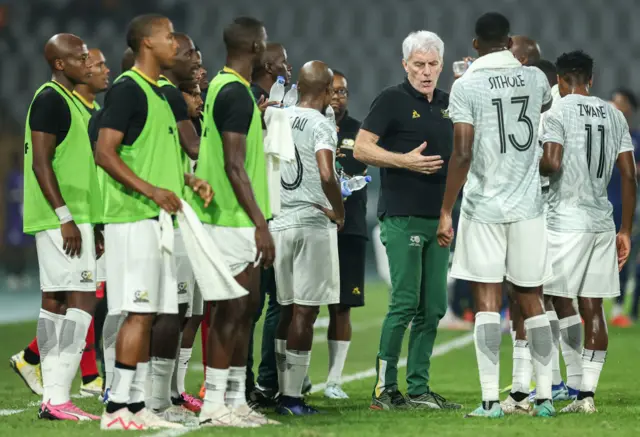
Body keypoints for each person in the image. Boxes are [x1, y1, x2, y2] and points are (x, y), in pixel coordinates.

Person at [95, 14, 211, 430]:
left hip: (159, 219)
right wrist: (151, 191)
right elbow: (104, 153)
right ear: (147, 43)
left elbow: (157, 158)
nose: (174, 46)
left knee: (153, 313)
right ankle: (116, 411)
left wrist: (187, 179)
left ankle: (137, 404)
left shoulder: (160, 96)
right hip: (134, 218)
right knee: (137, 313)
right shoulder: (128, 91)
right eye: (167, 38)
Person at [437, 12, 555, 418]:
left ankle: (490, 401)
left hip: (484, 205)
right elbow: (541, 110)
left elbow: (463, 152)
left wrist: (446, 209)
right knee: (532, 299)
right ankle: (543, 398)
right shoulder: (536, 78)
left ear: (475, 45)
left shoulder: (465, 84)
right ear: (508, 41)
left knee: (487, 300)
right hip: (528, 206)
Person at [354, 30, 459, 411]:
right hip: (402, 216)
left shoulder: (450, 104)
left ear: (442, 66)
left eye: (433, 65)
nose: (426, 72)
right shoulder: (391, 100)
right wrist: (404, 160)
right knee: (403, 303)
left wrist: (449, 213)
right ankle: (384, 390)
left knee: (433, 308)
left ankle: (418, 389)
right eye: (419, 65)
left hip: (440, 220)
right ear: (405, 65)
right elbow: (362, 148)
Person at [185, 16, 276, 428]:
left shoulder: (226, 88)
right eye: (266, 42)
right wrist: (261, 223)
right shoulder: (235, 94)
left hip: (237, 217)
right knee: (229, 313)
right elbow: (234, 166)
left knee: (245, 309)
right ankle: (214, 405)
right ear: (256, 47)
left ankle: (236, 401)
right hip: (230, 218)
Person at [539, 50, 637, 413]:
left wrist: (523, 166)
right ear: (591, 80)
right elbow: (629, 174)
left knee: (542, 299)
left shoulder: (557, 112)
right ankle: (586, 396)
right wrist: (624, 229)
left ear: (561, 81)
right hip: (601, 222)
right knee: (592, 306)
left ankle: (541, 387)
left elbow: (551, 162)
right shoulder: (615, 114)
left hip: (564, 221)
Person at [22, 33, 102, 421]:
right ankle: (56, 397)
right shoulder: (50, 99)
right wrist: (65, 216)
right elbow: (42, 162)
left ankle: (53, 397)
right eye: (81, 58)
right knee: (82, 301)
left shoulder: (75, 102)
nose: (88, 63)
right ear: (59, 64)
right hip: (63, 219)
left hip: (75, 217)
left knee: (55, 305)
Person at [271, 60, 343, 415]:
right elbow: (327, 173)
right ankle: (292, 398)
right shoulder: (321, 123)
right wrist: (339, 211)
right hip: (312, 221)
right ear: (328, 91)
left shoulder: (279, 116)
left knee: (286, 311)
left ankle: (283, 390)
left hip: (279, 221)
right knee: (306, 312)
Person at [150, 31, 200, 423]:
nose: (197, 63)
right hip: (164, 218)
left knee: (178, 309)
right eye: (190, 56)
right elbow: (195, 149)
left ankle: (165, 393)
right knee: (165, 309)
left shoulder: (161, 93)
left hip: (174, 216)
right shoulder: (164, 93)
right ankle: (148, 397)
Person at [247, 41, 292, 408]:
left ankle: (266, 382)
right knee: (249, 307)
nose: (287, 66)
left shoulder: (276, 99)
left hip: (274, 215)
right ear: (267, 63)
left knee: (277, 302)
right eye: (282, 61)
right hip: (253, 219)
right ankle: (244, 383)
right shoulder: (246, 99)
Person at [323, 69, 365, 400]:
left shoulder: (360, 131)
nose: (339, 97)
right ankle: (295, 378)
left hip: (349, 229)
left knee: (342, 307)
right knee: (302, 306)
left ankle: (334, 380)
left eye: (344, 92)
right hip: (313, 226)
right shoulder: (307, 124)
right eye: (334, 91)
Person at [171, 79, 205, 413]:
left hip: (199, 229)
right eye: (193, 93)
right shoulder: (181, 131)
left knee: (194, 314)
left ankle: (177, 389)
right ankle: (158, 388)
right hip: (177, 227)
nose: (199, 98)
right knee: (176, 312)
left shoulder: (199, 126)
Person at [609, 88, 640, 326]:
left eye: (621, 103)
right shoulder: (601, 134)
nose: (616, 106)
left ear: (630, 108)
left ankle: (618, 307)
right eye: (614, 102)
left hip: (626, 204)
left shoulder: (636, 138)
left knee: (622, 253)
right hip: (599, 202)